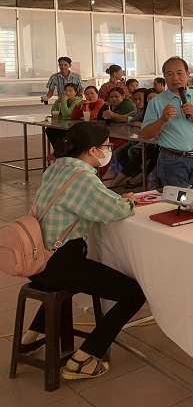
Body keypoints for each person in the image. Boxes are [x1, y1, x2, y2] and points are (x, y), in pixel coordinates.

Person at [21, 122, 145, 380]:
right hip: (60, 264)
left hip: (36, 259)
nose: (108, 151)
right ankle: (84, 359)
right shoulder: (82, 177)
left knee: (74, 276)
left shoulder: (55, 168)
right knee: (134, 294)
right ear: (92, 150)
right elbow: (114, 210)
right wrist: (129, 201)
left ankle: (32, 336)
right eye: (106, 146)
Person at [142, 57, 193, 188]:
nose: (175, 78)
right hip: (172, 160)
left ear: (188, 74)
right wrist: (162, 120)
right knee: (180, 198)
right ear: (165, 77)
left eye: (179, 73)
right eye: (170, 74)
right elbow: (146, 134)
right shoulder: (156, 101)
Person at [109, 89, 159, 188]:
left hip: (159, 143)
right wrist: (141, 124)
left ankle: (139, 178)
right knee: (119, 153)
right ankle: (134, 178)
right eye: (150, 98)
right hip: (148, 140)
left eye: (155, 98)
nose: (153, 100)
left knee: (136, 151)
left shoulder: (164, 111)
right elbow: (132, 121)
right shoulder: (146, 111)